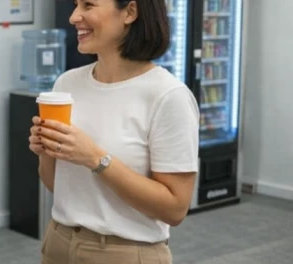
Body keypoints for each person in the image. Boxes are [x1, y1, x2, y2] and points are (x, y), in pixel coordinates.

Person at [29, 0, 199, 263]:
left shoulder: (168, 96)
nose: (74, 17)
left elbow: (175, 209)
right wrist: (46, 151)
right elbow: (57, 186)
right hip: (58, 243)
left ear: (130, 12)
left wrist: (95, 158)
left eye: (88, 5)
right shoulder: (67, 84)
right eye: (76, 5)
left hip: (126, 252)